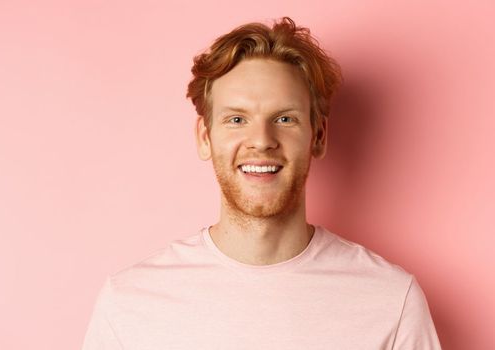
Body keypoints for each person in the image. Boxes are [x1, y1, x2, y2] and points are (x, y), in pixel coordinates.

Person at [81, 17, 442, 349]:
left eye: (284, 118)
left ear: (318, 136)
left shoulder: (391, 300)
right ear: (205, 138)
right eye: (237, 119)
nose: (261, 140)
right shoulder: (130, 302)